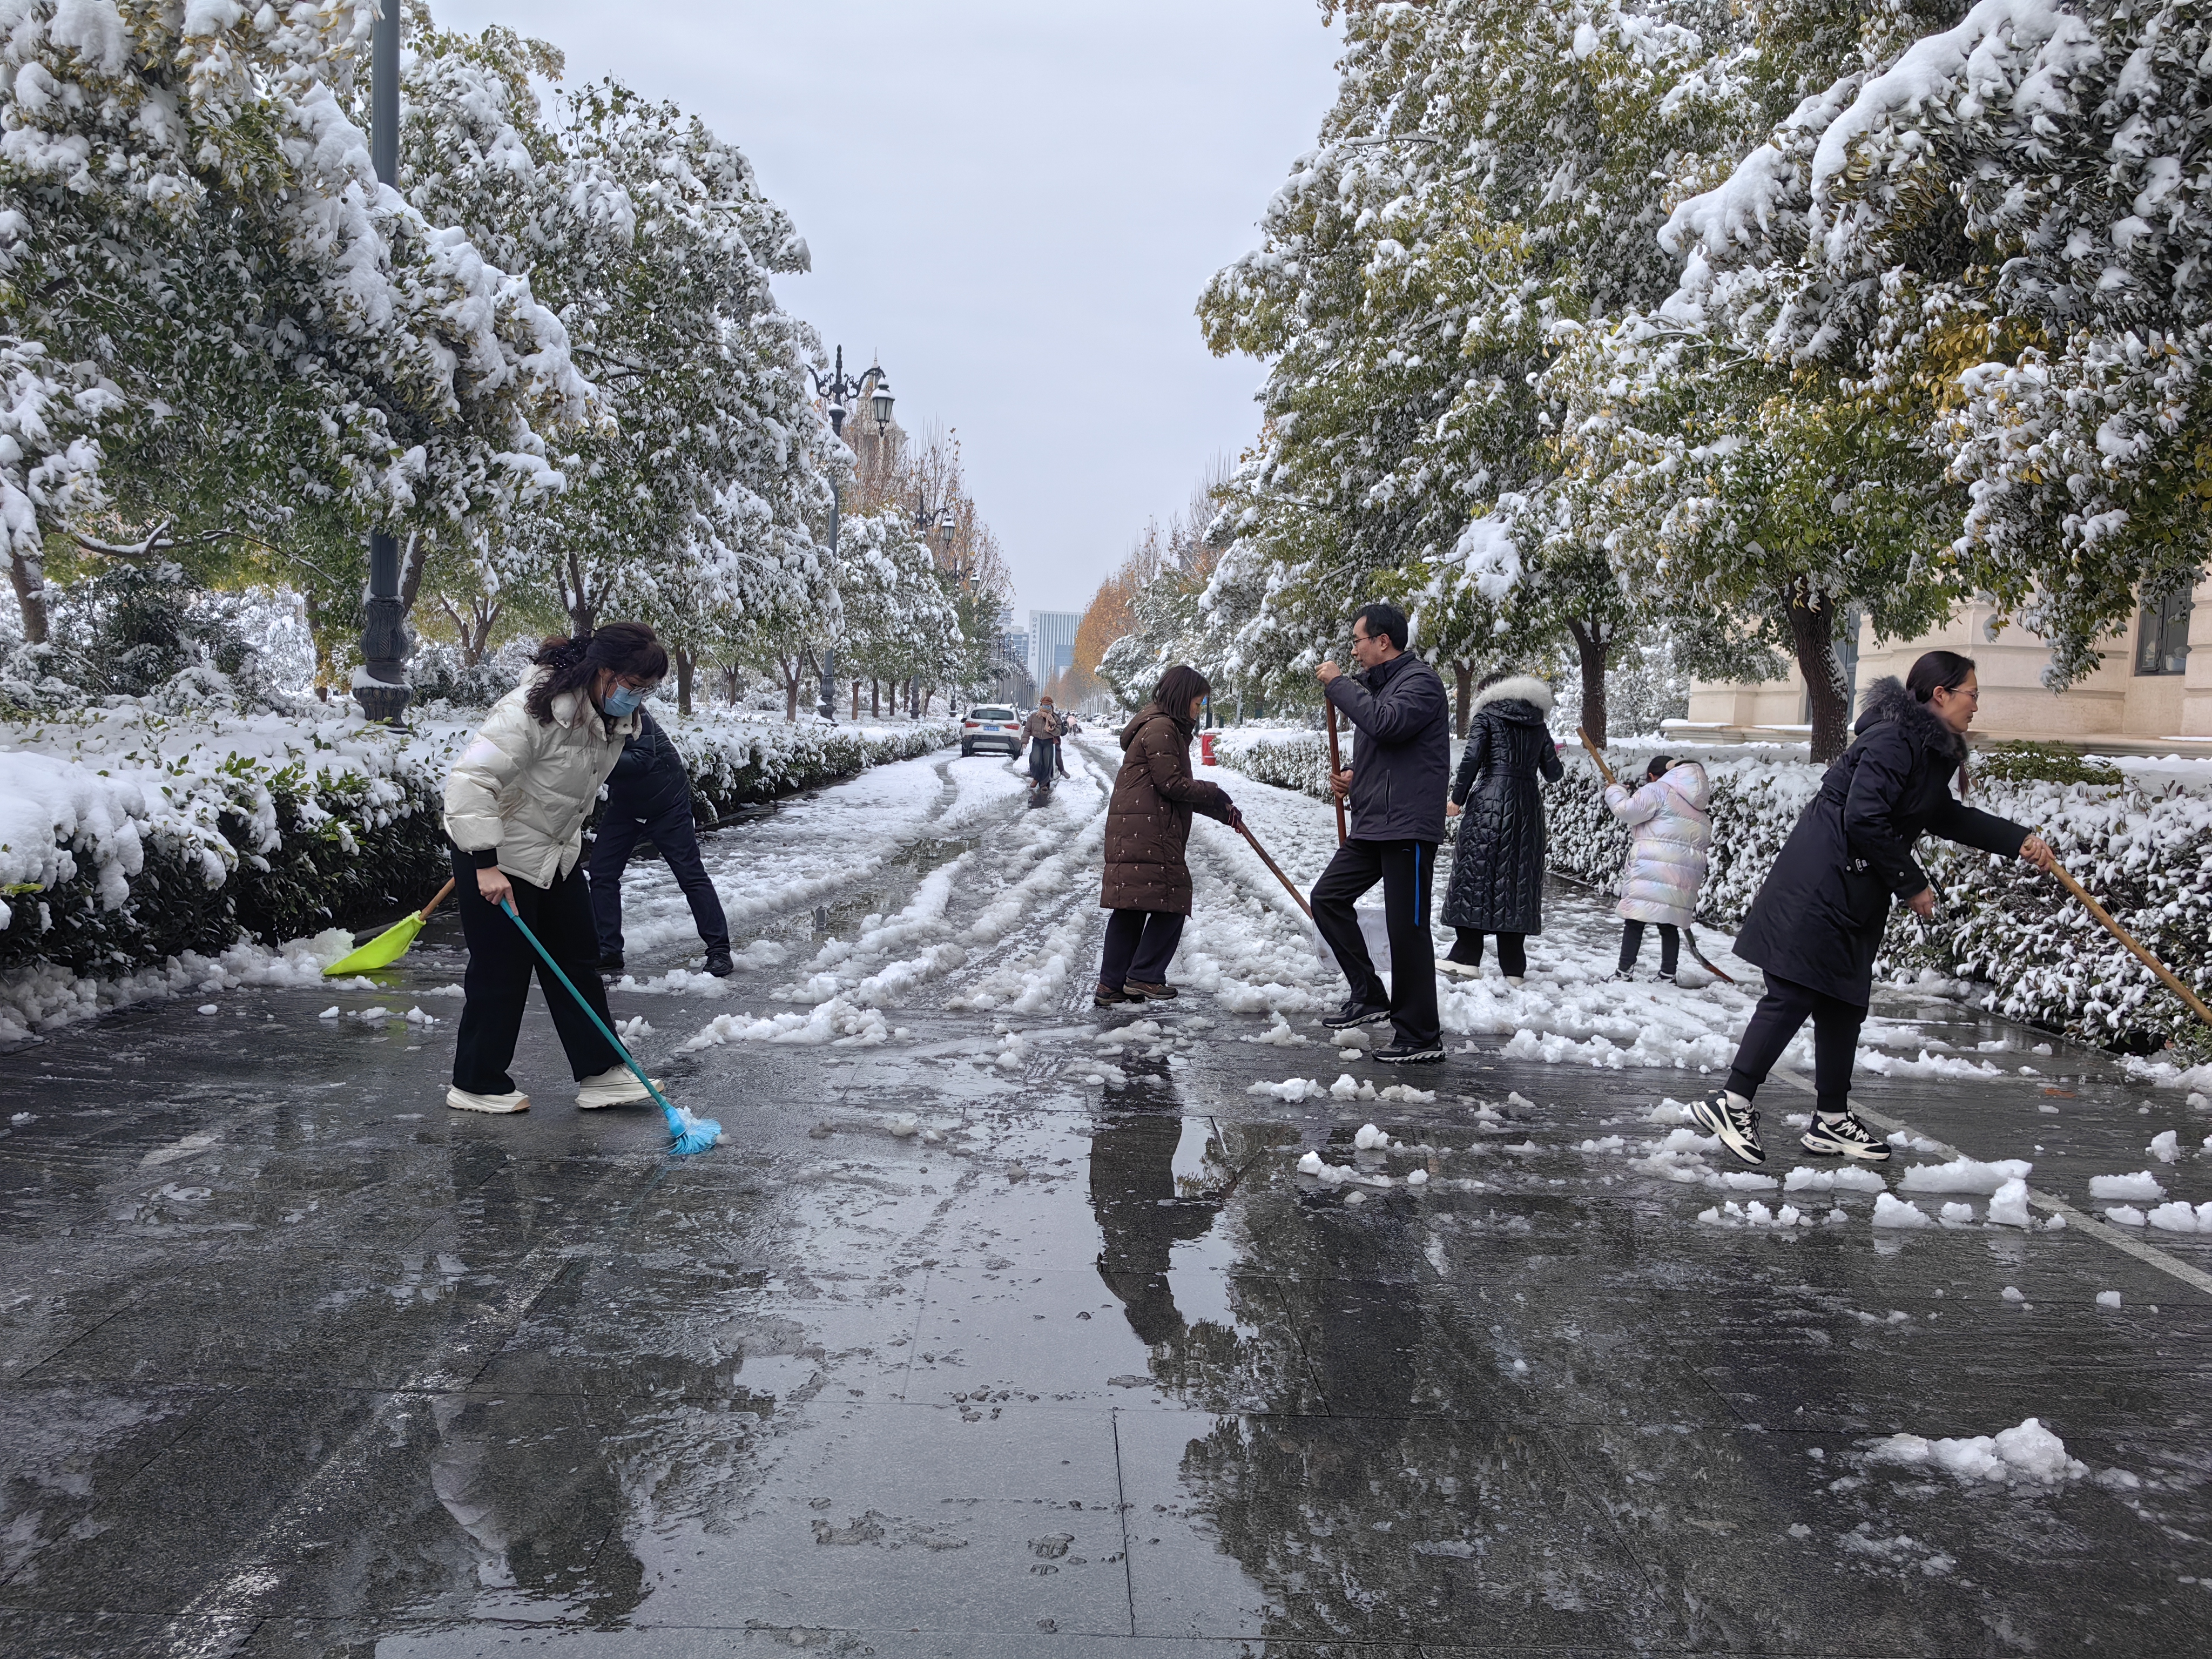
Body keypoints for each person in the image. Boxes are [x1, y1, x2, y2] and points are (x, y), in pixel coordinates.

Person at [1690, 652, 2056, 1165]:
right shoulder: (1893, 739)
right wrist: (1911, 883)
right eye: (1972, 693)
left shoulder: (1927, 749)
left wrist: (2019, 840)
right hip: (1823, 885)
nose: (1978, 705)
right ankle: (1732, 1101)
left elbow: (1942, 815)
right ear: (1941, 695)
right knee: (1793, 993)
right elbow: (1865, 817)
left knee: (1843, 1004)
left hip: (1853, 889)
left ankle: (1832, 1120)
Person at [441, 623, 671, 1115]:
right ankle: (475, 1081)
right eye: (635, 686)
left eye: (648, 689)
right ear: (605, 673)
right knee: (501, 972)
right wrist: (483, 865)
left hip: (554, 853)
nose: (640, 698)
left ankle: (602, 1072)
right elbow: (468, 782)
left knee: (577, 959)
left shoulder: (604, 718)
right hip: (496, 857)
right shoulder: (528, 710)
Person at [1312, 602, 1452, 1063]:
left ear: (1383, 641)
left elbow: (1387, 724)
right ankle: (1370, 994)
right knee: (1328, 898)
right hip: (1375, 824)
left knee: (1406, 927)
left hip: (1408, 827)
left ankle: (1420, 1034)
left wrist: (1338, 686)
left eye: (1358, 640)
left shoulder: (1420, 683)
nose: (1353, 650)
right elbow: (1391, 750)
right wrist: (1356, 774)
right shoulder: (1386, 686)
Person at [1096, 665, 1238, 1004]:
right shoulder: (1162, 727)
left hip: (1139, 827)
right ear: (1181, 697)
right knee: (1172, 899)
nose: (1198, 710)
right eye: (1197, 702)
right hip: (1148, 831)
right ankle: (1144, 976)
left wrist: (1220, 809)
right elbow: (1171, 784)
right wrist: (1214, 792)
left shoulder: (1158, 724)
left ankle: (1111, 985)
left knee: (1130, 906)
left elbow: (1169, 786)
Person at [588, 705, 733, 980]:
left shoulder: (627, 708)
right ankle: (609, 950)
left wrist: (588, 758)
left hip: (667, 801)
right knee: (602, 872)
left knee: (690, 875)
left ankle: (719, 950)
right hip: (627, 805)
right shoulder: (582, 713)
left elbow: (641, 759)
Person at [1439, 672, 1562, 985]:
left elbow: (1472, 760)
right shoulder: (1538, 723)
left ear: (1487, 694)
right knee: (1518, 880)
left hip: (1489, 803)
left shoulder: (1487, 717)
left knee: (1474, 873)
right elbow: (1554, 773)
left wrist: (1456, 799)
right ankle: (1514, 968)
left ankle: (1466, 956)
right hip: (1527, 808)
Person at [1604, 754, 1711, 983]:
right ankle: (1667, 974)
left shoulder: (1657, 790)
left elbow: (1627, 811)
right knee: (1669, 922)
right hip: (1683, 875)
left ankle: (1624, 972)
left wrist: (1615, 791)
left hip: (1652, 867)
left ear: (1652, 776)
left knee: (1635, 919)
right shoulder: (1698, 806)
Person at [1022, 696, 1062, 791]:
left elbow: (1059, 732)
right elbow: (1027, 729)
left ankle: (1043, 784)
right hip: (1037, 742)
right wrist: (1025, 740)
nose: (1046, 707)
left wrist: (1052, 728)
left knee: (1047, 763)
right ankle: (1036, 778)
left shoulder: (1055, 718)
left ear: (1051, 707)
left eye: (1048, 706)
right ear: (1041, 705)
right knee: (1035, 760)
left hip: (1048, 742)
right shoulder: (1034, 716)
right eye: (1045, 705)